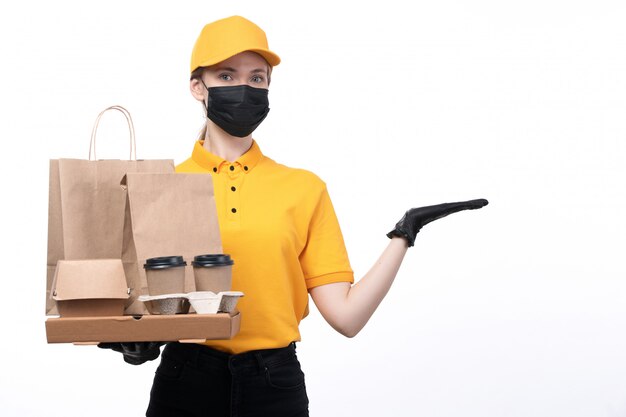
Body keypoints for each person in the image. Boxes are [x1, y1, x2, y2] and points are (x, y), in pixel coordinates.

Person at [100, 15, 488, 417]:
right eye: (227, 76)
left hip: (273, 384)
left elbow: (347, 317)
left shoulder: (303, 188)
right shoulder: (163, 183)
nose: (245, 89)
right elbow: (140, 302)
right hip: (186, 382)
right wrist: (136, 340)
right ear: (198, 86)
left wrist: (403, 234)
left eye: (257, 78)